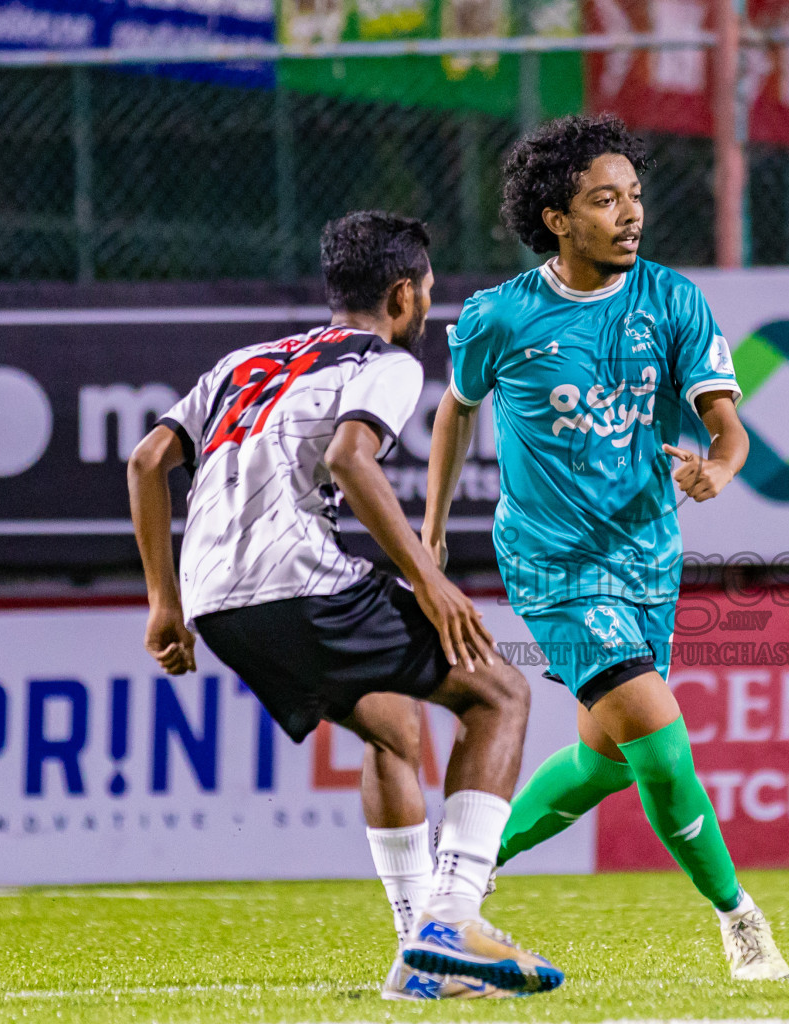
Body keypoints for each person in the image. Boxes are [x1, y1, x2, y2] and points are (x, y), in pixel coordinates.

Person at [126, 211, 561, 999]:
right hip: (295, 580)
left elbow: (148, 459)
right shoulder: (385, 362)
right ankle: (452, 916)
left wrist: (164, 602)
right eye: (426, 289)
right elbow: (350, 458)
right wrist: (430, 581)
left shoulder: (244, 362)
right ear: (402, 294)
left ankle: (420, 961)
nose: (428, 303)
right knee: (499, 691)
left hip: (216, 603)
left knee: (393, 726)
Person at [422, 115, 789, 981]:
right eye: (604, 200)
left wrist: (718, 468)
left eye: (634, 196)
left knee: (605, 760)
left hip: (648, 558)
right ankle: (740, 919)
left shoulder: (671, 300)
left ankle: (459, 877)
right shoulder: (500, 317)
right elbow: (456, 410)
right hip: (552, 563)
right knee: (659, 743)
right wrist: (431, 528)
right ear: (556, 218)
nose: (630, 215)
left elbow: (728, 429)